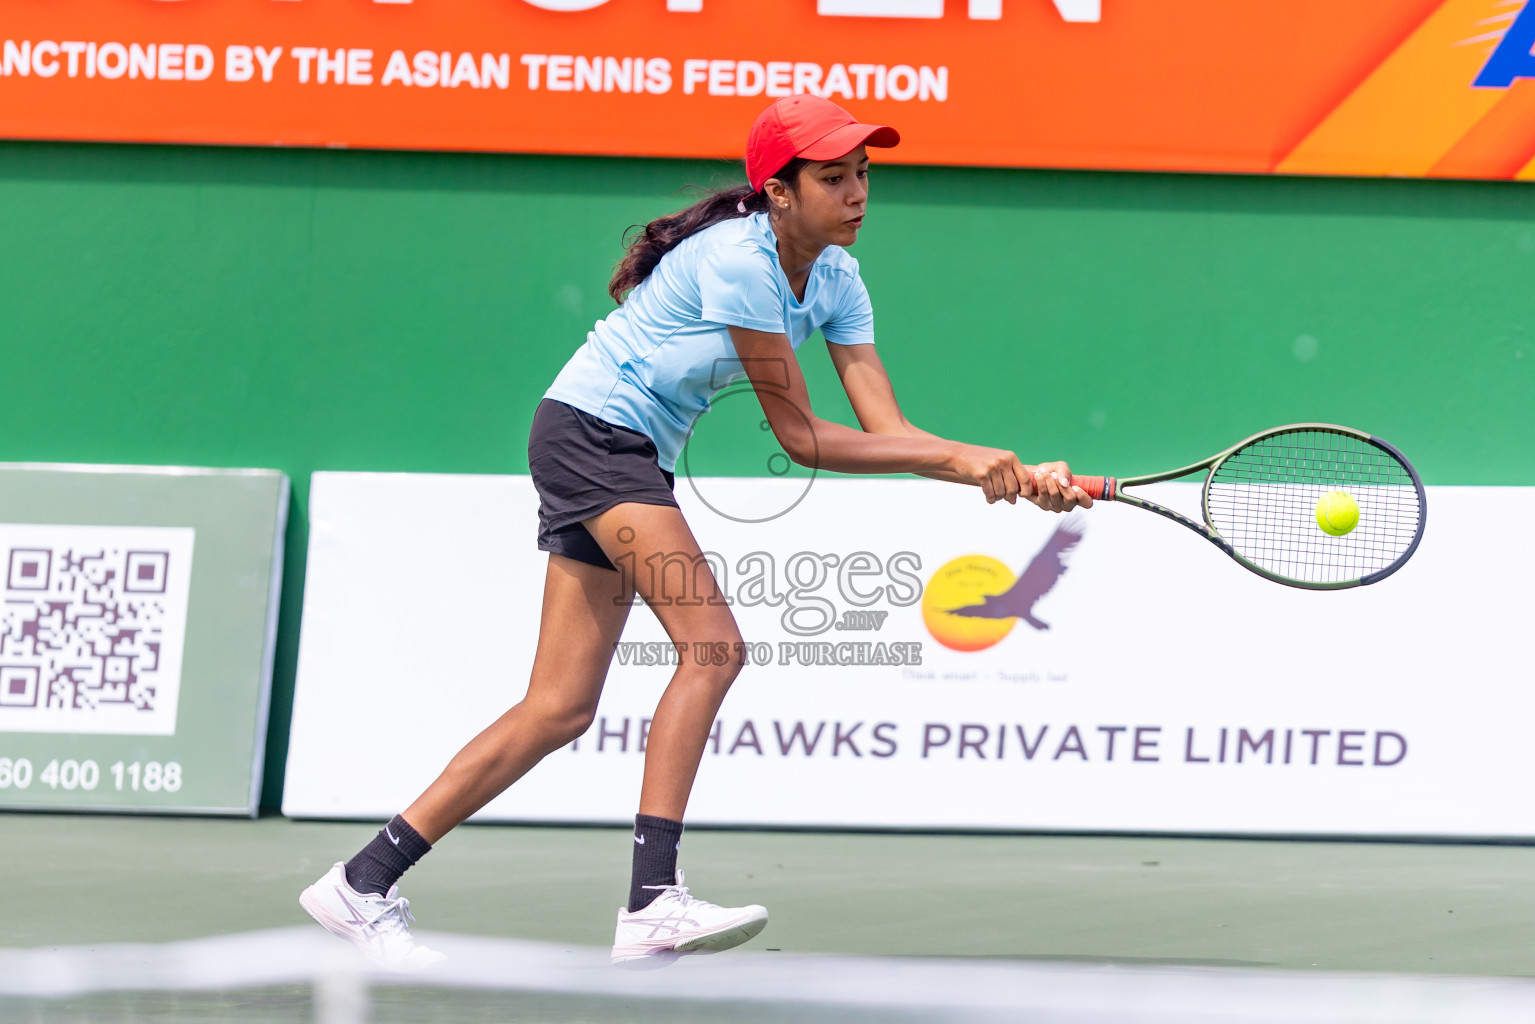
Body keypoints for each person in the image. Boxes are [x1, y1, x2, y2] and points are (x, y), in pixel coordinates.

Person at [299, 94, 1091, 969]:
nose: (859, 191)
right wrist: (972, 460)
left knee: (559, 706)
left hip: (617, 449)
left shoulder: (836, 277)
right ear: (779, 193)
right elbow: (804, 438)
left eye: (864, 172)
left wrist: (998, 471)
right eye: (834, 176)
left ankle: (361, 881)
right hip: (594, 438)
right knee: (712, 647)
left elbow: (885, 426)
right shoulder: (740, 261)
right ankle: (650, 903)